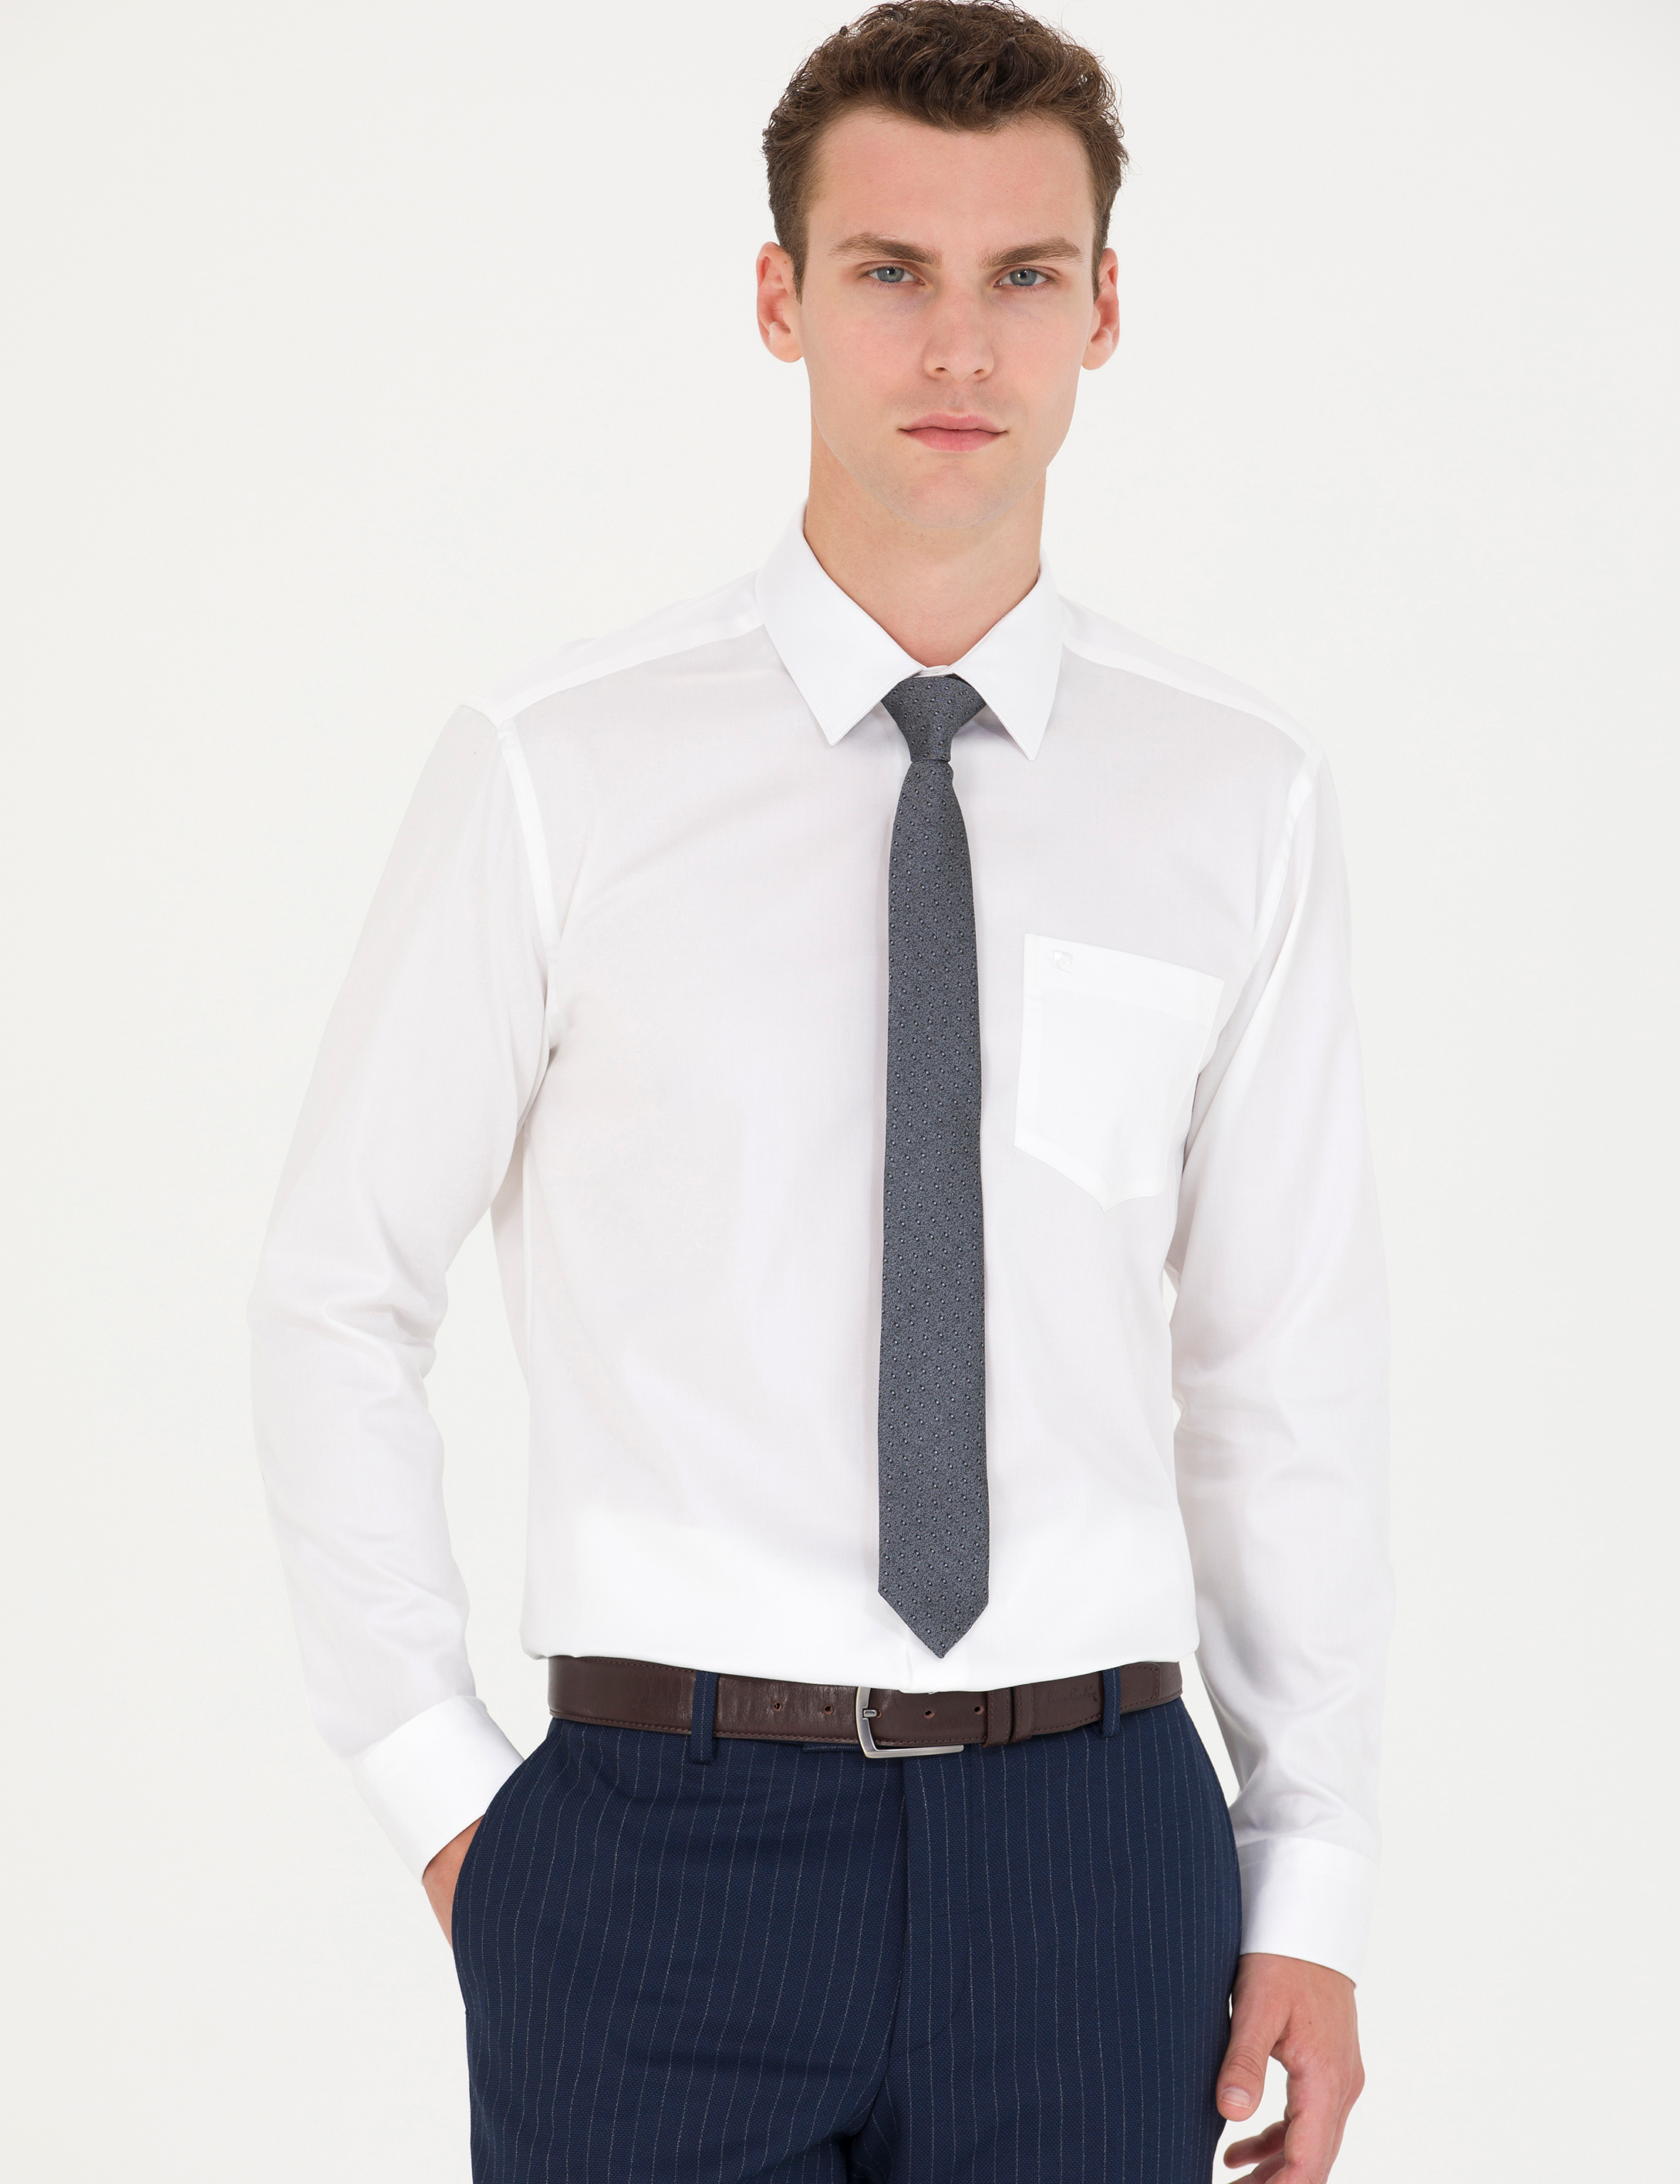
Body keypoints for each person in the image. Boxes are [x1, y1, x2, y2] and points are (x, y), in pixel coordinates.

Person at [249, 4, 1391, 2179]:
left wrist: (1310, 1876)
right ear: (778, 298)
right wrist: (444, 1795)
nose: (956, 344)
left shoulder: (1234, 796)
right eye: (888, 270)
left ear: (1104, 309)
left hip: (1094, 1855)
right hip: (653, 1851)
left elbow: (1281, 1367)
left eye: (1021, 273)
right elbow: (334, 1290)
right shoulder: (559, 771)